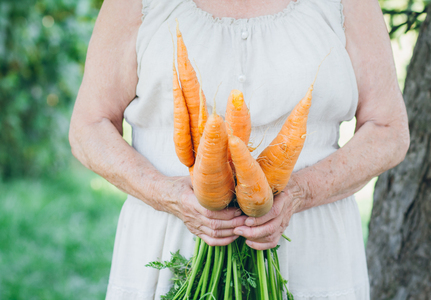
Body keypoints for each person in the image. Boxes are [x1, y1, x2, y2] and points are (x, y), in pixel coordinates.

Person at [69, 0, 410, 298]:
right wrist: (166, 194)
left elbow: (388, 129)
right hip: (170, 239)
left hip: (310, 247)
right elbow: (89, 126)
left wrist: (301, 192)